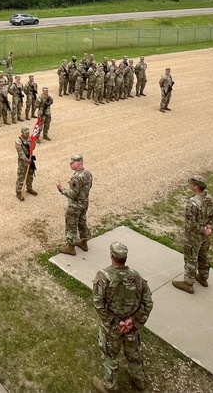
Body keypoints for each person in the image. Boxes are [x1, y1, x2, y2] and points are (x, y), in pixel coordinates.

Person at [92, 242, 153, 393]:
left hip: (113, 329)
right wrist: (132, 321)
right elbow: (148, 302)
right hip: (131, 328)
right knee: (133, 354)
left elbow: (98, 303)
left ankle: (110, 386)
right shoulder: (136, 276)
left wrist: (114, 322)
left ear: (111, 255)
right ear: (125, 258)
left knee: (110, 356)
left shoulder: (103, 276)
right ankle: (139, 382)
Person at [172, 175, 213, 294]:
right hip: (206, 236)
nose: (189, 185)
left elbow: (191, 224)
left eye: (191, 183)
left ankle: (188, 283)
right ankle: (203, 277)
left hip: (193, 236)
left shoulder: (192, 203)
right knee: (203, 256)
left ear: (196, 187)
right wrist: (209, 228)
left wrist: (202, 229)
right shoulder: (211, 199)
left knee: (191, 258)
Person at [57, 154, 92, 255]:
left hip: (75, 206)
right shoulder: (88, 174)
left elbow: (72, 194)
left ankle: (70, 247)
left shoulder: (76, 178)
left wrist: (61, 190)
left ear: (78, 163)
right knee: (82, 222)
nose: (70, 164)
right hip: (84, 203)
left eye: (72, 163)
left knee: (71, 224)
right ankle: (84, 243)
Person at [14, 126, 37, 201]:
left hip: (30, 159)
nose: (27, 134)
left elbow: (33, 147)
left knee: (30, 175)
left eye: (28, 133)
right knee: (21, 176)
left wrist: (34, 145)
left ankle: (29, 188)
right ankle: (18, 192)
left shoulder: (30, 139)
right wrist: (26, 160)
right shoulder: (18, 141)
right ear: (22, 132)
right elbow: (20, 153)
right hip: (23, 161)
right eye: (26, 133)